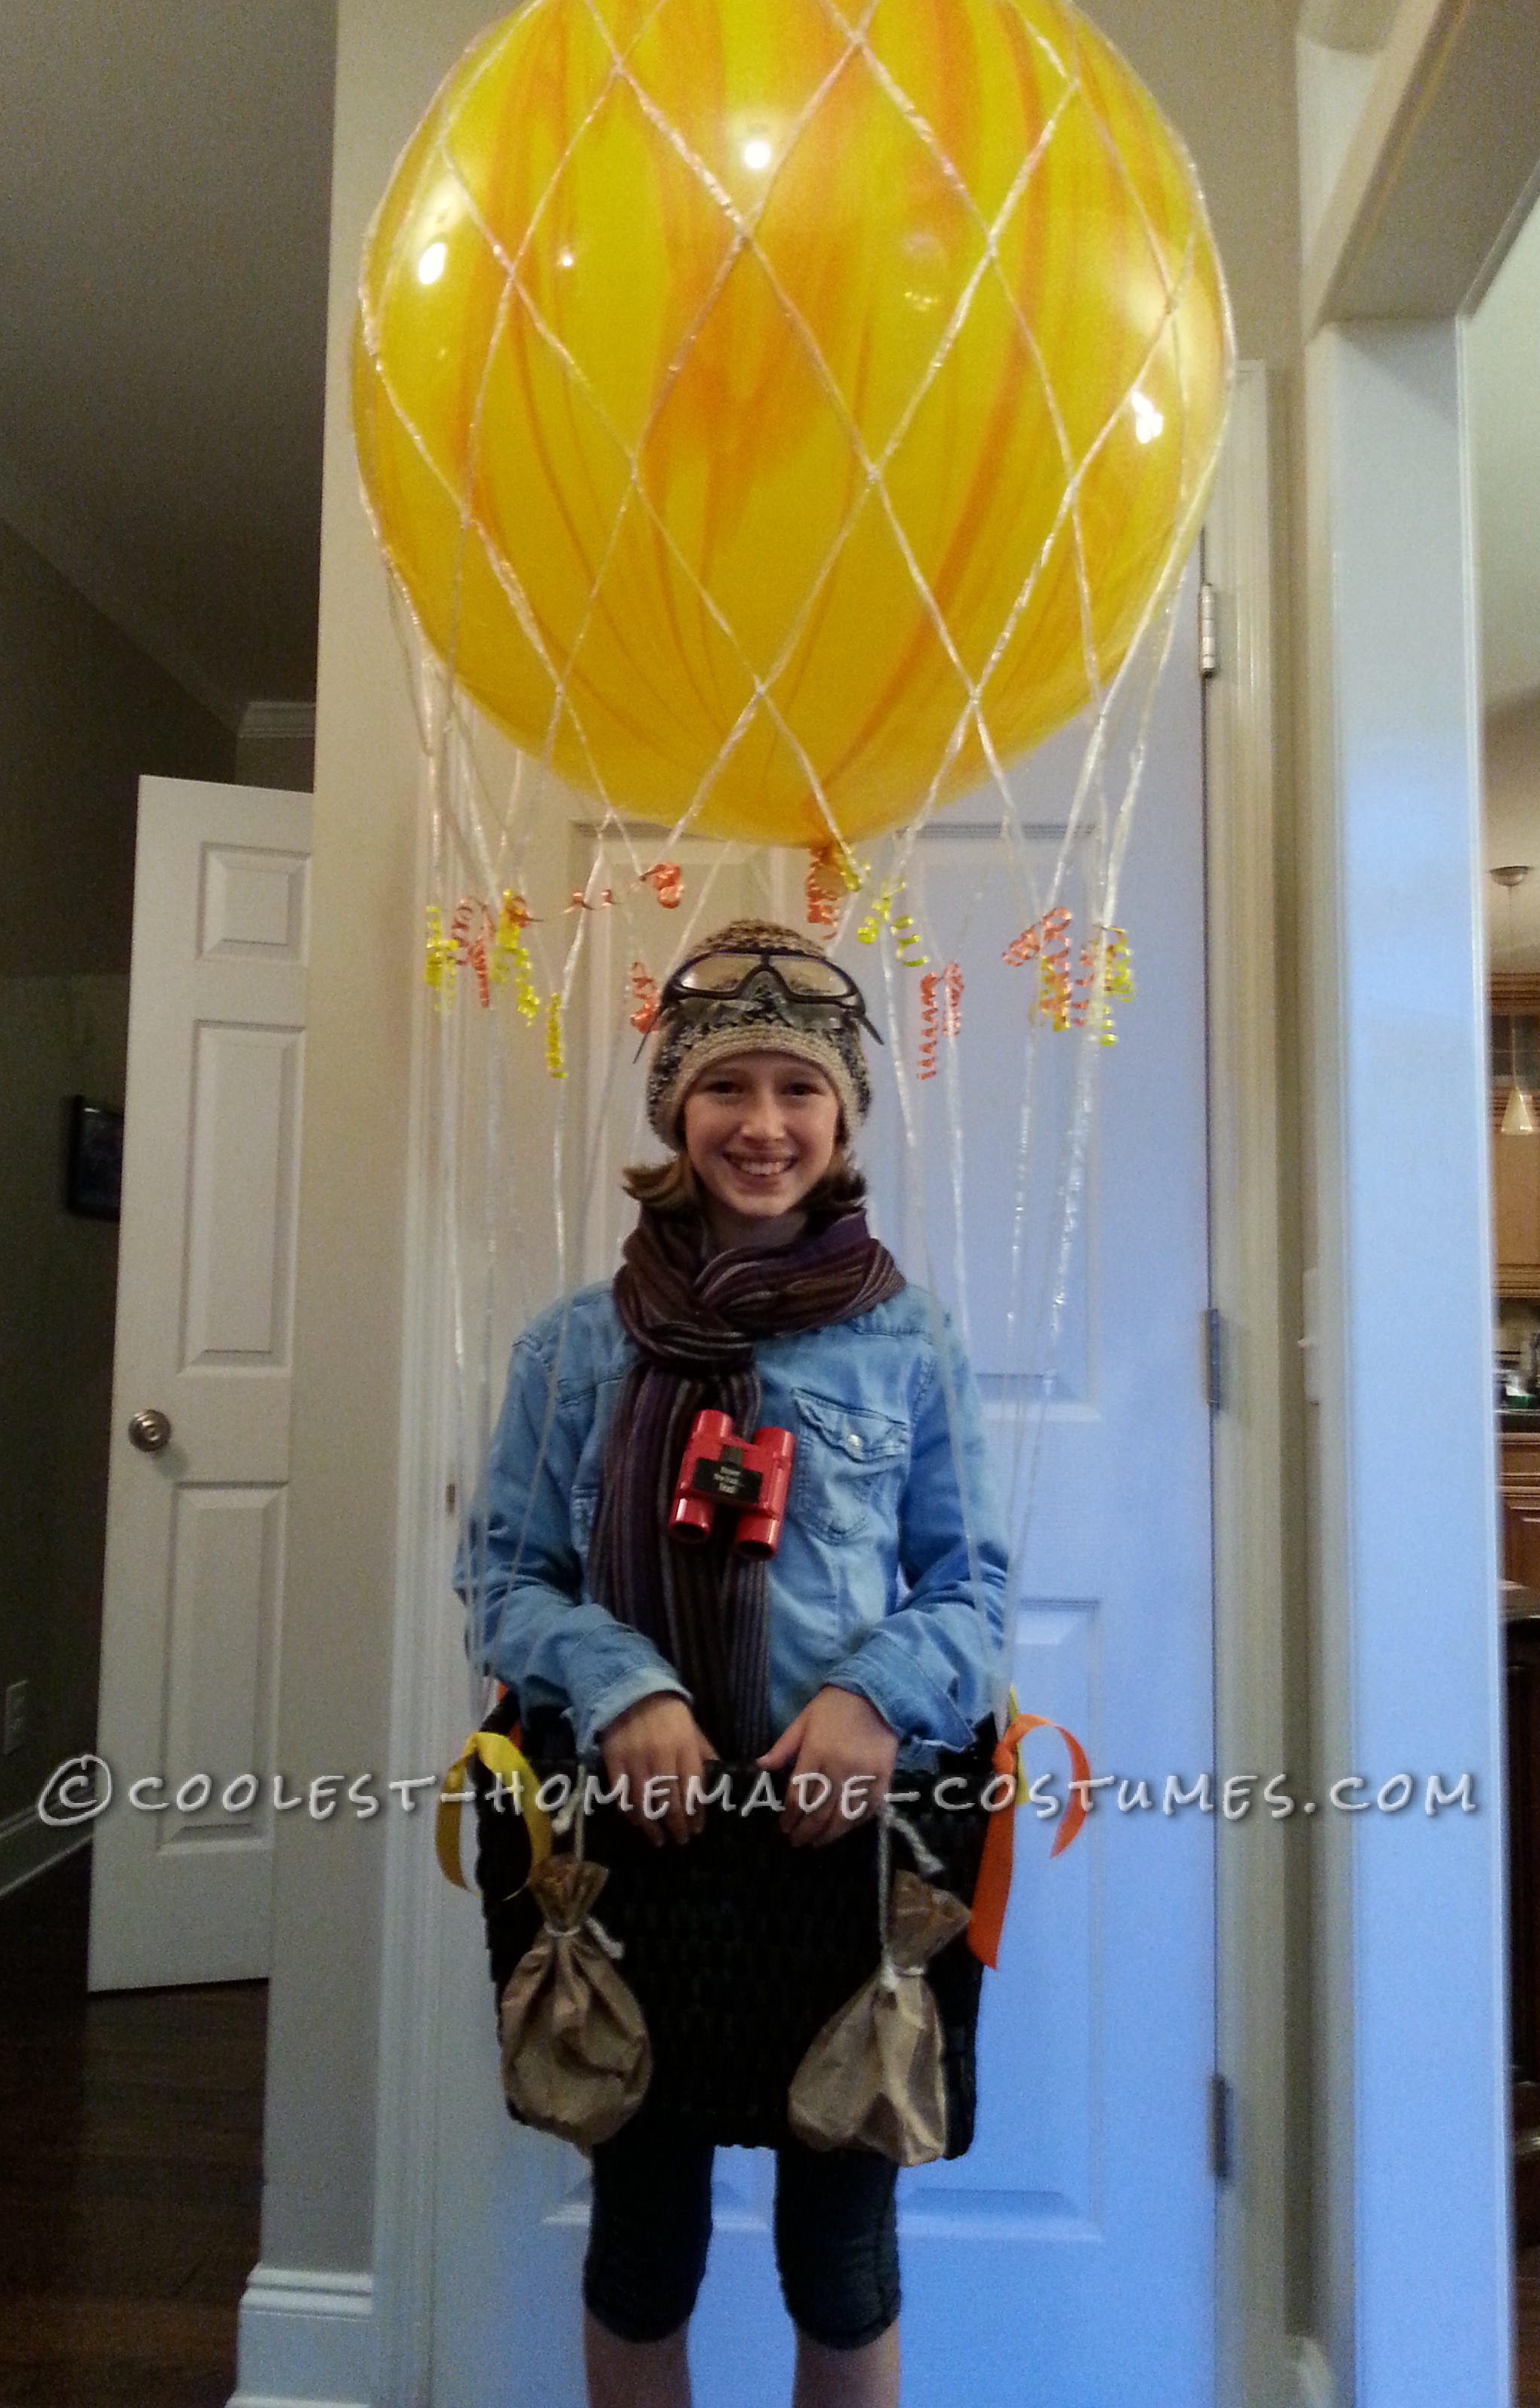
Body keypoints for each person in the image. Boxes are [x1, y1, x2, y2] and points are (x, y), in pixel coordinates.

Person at [480, 918, 1008, 2408]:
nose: (761, 1124)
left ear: (843, 1120)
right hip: (630, 1862)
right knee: (642, 2243)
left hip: (843, 1862)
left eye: (798, 1089)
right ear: (673, 1111)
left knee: (840, 2256)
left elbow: (974, 1594)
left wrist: (871, 1698)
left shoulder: (912, 1346)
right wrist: (625, 1684)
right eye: (726, 1088)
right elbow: (502, 1581)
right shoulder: (575, 1350)